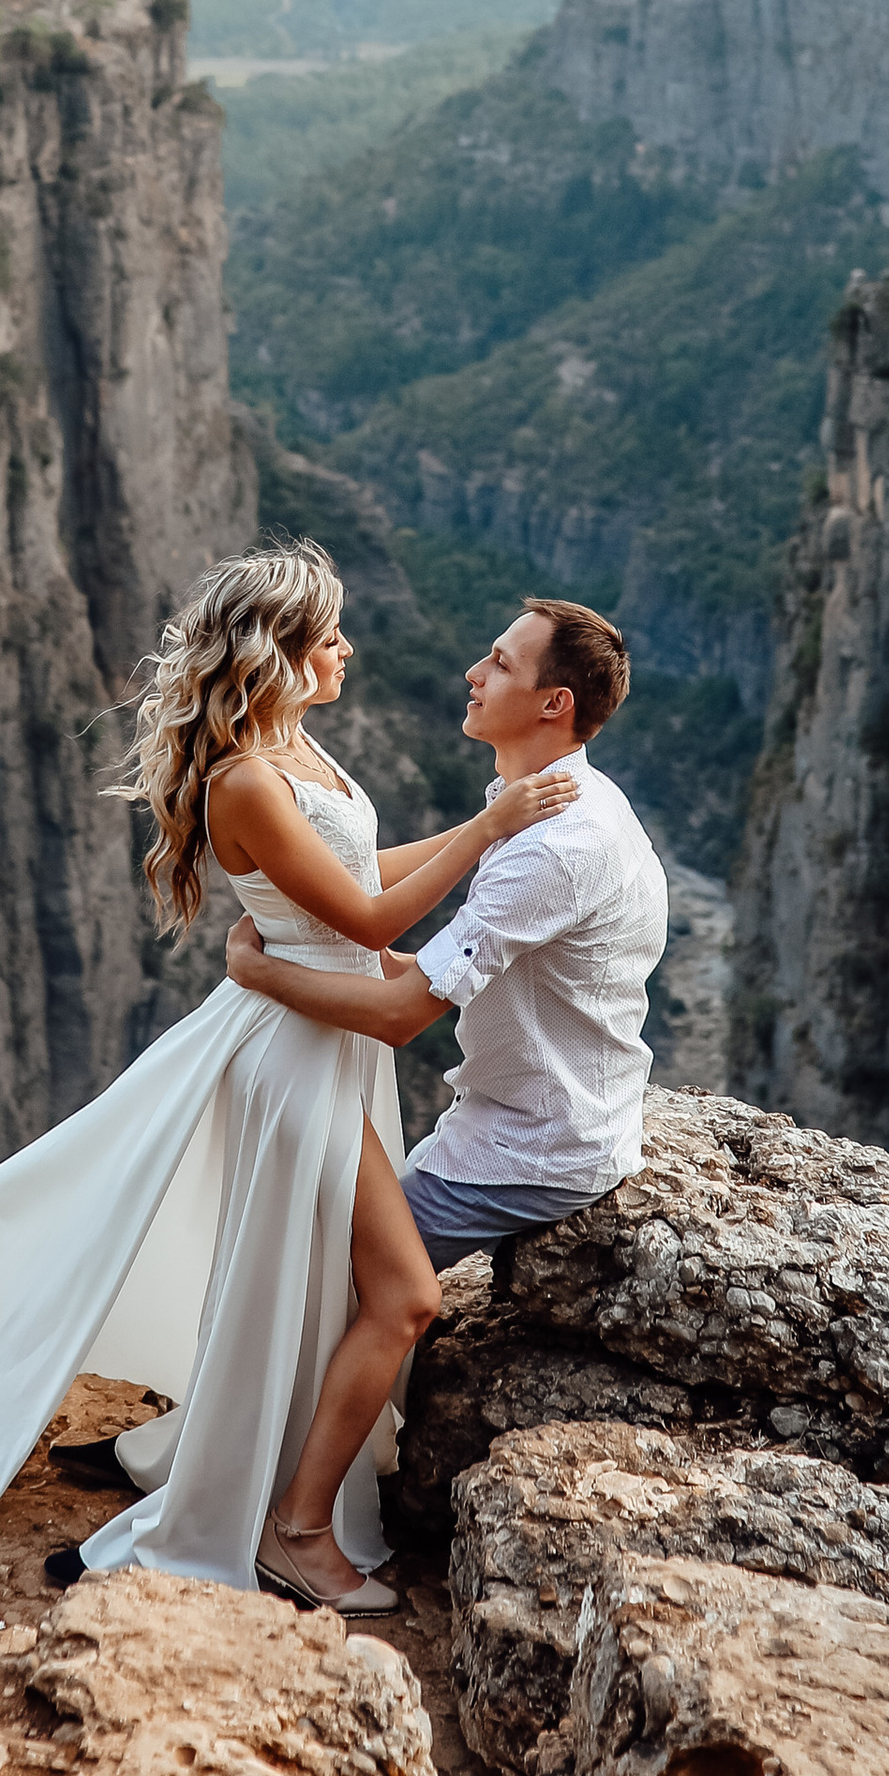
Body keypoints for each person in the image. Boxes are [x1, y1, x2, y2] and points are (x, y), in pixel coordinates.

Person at [0, 542, 572, 1605]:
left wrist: (454, 853)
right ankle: (277, 1526)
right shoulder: (244, 780)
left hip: (320, 1032)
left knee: (320, 1286)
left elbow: (355, 877)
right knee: (400, 1294)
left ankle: (257, 1482)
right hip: (292, 1056)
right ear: (274, 653)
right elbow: (370, 920)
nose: (347, 650)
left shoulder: (296, 749)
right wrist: (490, 827)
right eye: (328, 637)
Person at [223, 596, 668, 1603]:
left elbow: (394, 1018)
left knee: (374, 1291)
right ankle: (210, 1458)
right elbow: (434, 958)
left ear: (553, 704)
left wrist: (260, 974)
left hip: (526, 1150)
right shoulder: (558, 800)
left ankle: (289, 1526)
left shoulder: (553, 843)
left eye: (501, 664)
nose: (474, 671)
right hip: (526, 1117)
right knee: (316, 1256)